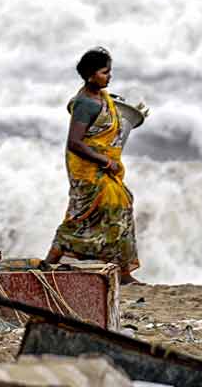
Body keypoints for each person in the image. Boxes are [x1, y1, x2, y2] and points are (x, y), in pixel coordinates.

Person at [44, 47, 143, 284]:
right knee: (80, 217)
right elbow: (75, 143)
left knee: (122, 203)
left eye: (109, 71)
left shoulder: (102, 98)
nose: (109, 76)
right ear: (91, 75)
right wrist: (106, 161)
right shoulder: (85, 103)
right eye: (104, 72)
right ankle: (50, 261)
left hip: (100, 167)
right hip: (87, 169)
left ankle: (122, 271)